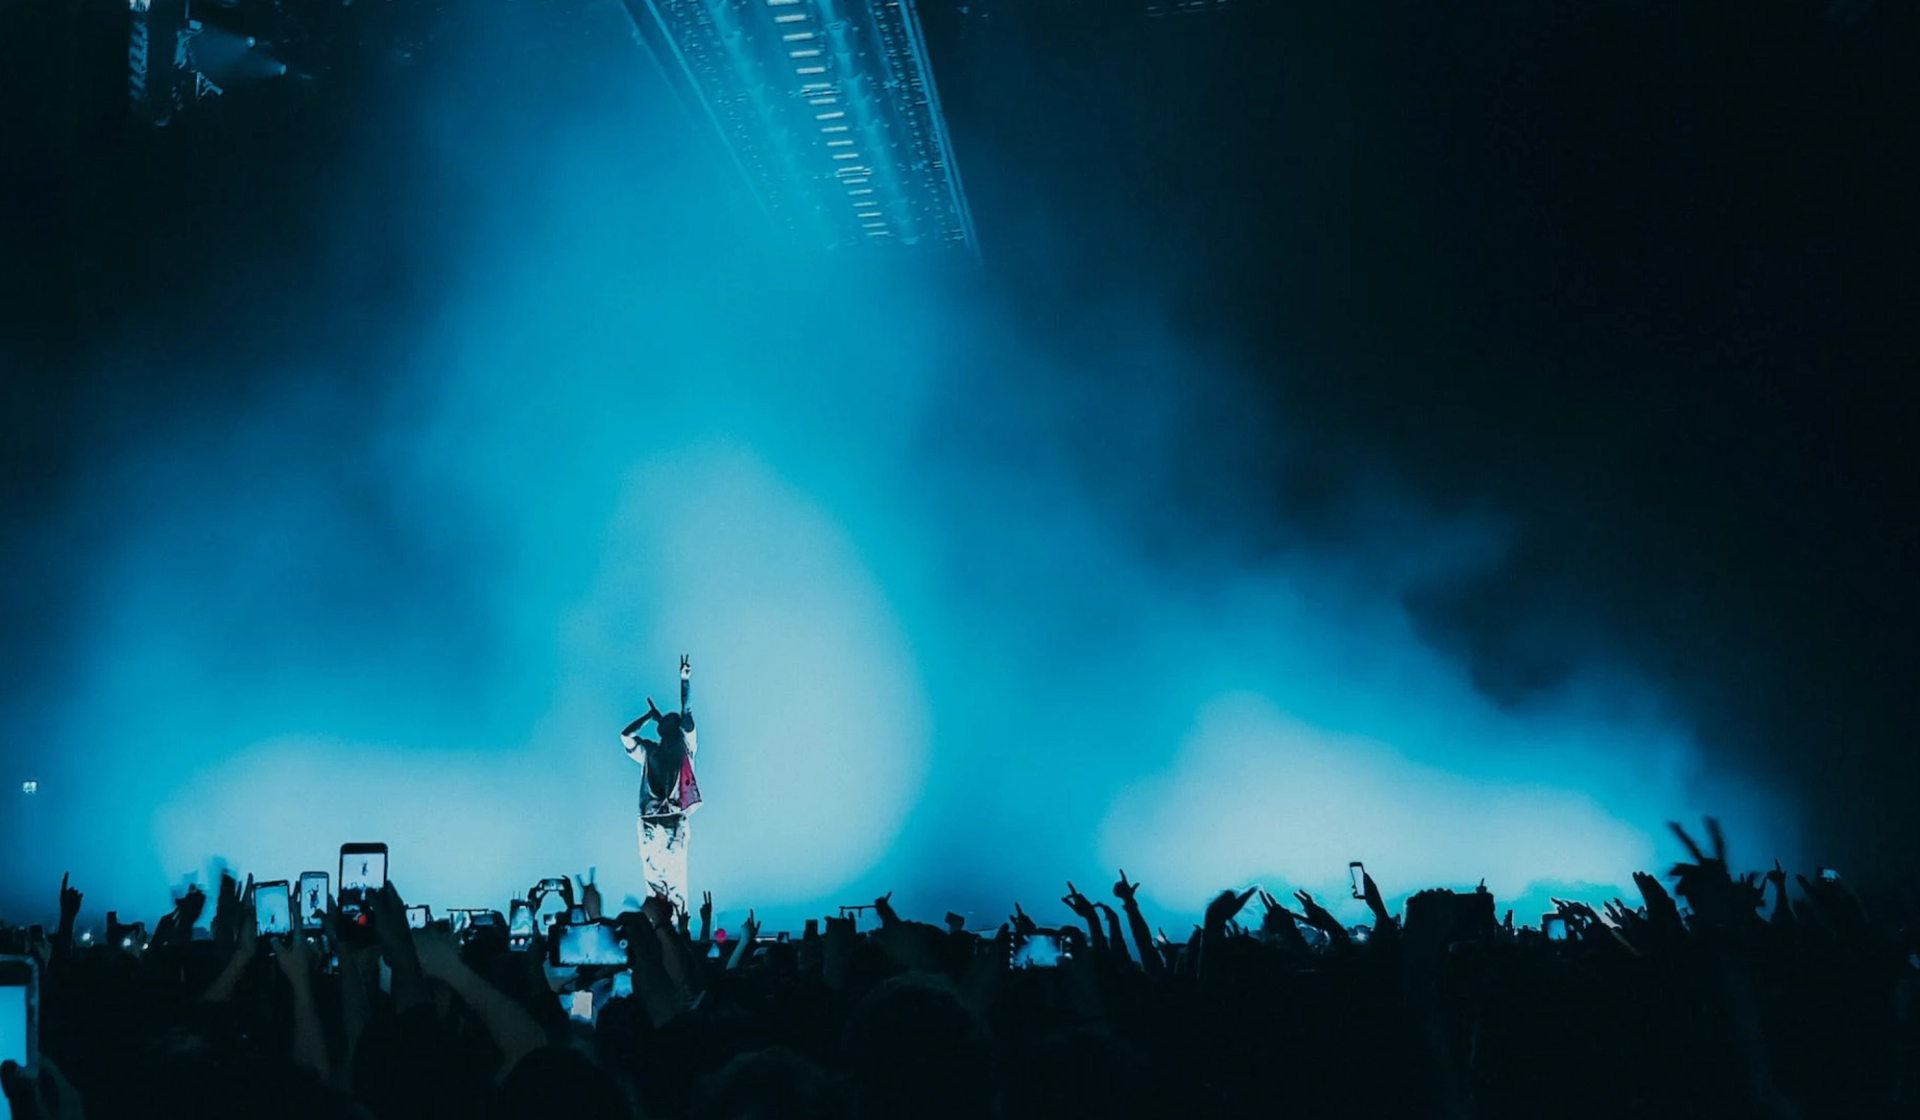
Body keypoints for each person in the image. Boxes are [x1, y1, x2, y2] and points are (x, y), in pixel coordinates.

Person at [620, 655, 702, 915]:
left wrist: (684, 680)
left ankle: (680, 931)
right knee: (653, 883)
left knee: (675, 883)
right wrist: (649, 716)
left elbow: (687, 714)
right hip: (648, 821)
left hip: (673, 819)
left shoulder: (685, 747)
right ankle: (656, 933)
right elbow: (626, 736)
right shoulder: (650, 752)